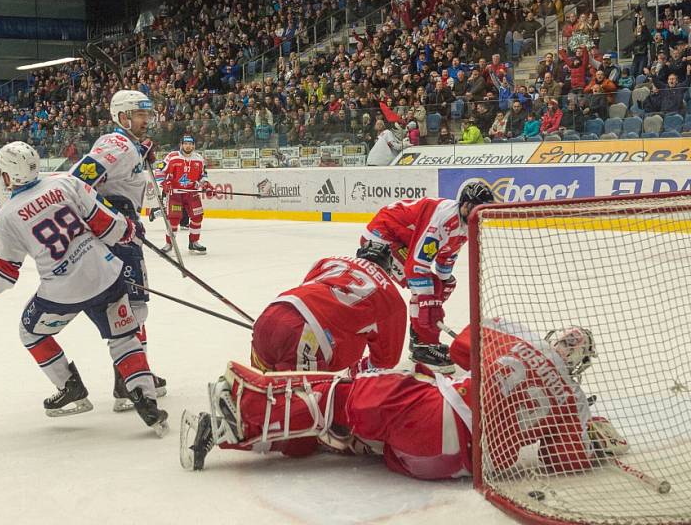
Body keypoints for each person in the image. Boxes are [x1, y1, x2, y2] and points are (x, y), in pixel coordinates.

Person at [180, 317, 627, 479]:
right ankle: (353, 439)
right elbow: (561, 460)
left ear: (552, 336)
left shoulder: (518, 339)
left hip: (432, 417)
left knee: (343, 394)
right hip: (447, 465)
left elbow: (458, 349)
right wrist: (594, 442)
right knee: (355, 430)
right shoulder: (575, 401)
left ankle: (240, 414)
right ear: (582, 366)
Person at [0, 142, 168, 435]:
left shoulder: (6, 217)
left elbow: (1, 277)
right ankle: (145, 400)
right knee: (123, 336)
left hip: (63, 291)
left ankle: (70, 387)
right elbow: (108, 225)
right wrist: (130, 229)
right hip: (107, 274)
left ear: (6, 176)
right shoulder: (66, 183)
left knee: (29, 331)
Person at [68, 89, 165, 411]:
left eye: (147, 115)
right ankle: (127, 383)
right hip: (117, 236)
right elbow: (78, 182)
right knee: (130, 307)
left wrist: (140, 150)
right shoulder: (115, 144)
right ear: (122, 117)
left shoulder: (128, 145)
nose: (146, 121)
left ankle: (138, 373)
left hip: (125, 231)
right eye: (140, 115)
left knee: (136, 305)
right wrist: (114, 216)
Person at [359, 183, 495, 374]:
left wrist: (442, 287)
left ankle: (419, 340)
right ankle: (423, 345)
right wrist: (428, 303)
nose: (480, 214)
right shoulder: (445, 219)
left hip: (402, 238)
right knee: (425, 290)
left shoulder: (466, 224)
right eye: (477, 208)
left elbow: (446, 257)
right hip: (383, 237)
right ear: (465, 205)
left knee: (438, 287)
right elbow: (416, 266)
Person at [250, 242, 406, 373]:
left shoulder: (329, 261)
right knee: (299, 406)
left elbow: (307, 290)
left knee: (255, 391)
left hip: (273, 312)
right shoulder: (391, 297)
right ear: (388, 269)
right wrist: (354, 369)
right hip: (306, 334)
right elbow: (385, 362)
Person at [159, 135, 211, 254]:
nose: (188, 146)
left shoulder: (199, 158)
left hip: (191, 193)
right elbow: (160, 171)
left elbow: (203, 175)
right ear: (181, 145)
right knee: (174, 219)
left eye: (190, 144)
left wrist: (205, 184)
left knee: (197, 217)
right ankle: (169, 244)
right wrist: (164, 183)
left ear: (193, 145)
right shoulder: (172, 157)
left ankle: (194, 242)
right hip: (175, 194)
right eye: (185, 143)